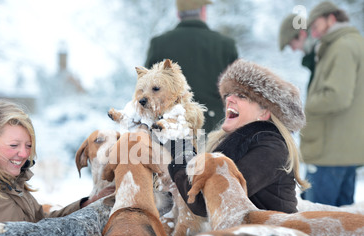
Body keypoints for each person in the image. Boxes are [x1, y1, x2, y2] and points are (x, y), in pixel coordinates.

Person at [168, 59, 309, 215]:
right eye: (228, 94)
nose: (229, 99)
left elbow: (205, 202)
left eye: (241, 96)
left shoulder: (270, 149)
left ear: (264, 113)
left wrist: (181, 153)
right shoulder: (235, 142)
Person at [0, 100, 106, 223]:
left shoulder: (13, 187)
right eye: (14, 145)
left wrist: (85, 204)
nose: (24, 153)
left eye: (28, 145)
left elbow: (40, 222)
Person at [300, 1, 364, 206]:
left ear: (332, 18)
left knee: (317, 222)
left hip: (329, 151)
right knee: (341, 224)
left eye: (316, 26)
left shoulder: (342, 46)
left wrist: (305, 107)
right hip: (343, 149)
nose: (315, 32)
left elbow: (337, 96)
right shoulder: (351, 43)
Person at [145, 0, 238, 135]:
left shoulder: (159, 44)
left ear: (178, 14)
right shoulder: (225, 45)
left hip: (170, 130)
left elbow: (146, 92)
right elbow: (236, 93)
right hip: (213, 130)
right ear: (203, 11)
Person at [279, 13, 317, 90]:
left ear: (302, 34)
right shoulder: (316, 58)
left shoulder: (323, 55)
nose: (293, 49)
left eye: (291, 44)